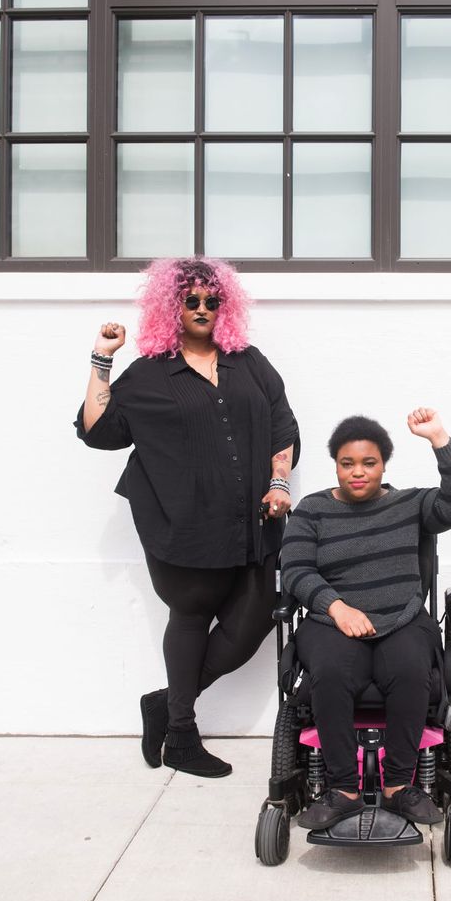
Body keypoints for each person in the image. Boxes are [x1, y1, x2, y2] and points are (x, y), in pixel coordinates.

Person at [76, 257, 299, 778]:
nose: (202, 308)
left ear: (225, 306)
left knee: (253, 623)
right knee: (192, 618)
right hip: (183, 527)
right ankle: (180, 733)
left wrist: (280, 481)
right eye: (190, 300)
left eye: (211, 300)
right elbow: (98, 430)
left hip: (254, 522)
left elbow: (283, 426)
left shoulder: (249, 361)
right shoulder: (150, 374)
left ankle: (165, 703)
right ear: (170, 306)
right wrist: (101, 360)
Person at [281, 408, 451, 830]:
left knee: (411, 669)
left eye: (368, 463)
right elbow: (296, 570)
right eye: (347, 463)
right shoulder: (311, 510)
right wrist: (337, 607)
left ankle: (397, 787)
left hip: (402, 618)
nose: (358, 472)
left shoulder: (410, 504)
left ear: (383, 464)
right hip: (332, 620)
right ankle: (343, 790)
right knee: (331, 671)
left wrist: (439, 438)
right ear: (335, 463)